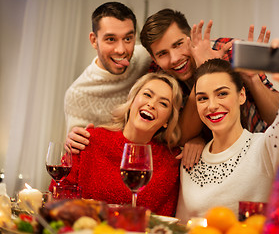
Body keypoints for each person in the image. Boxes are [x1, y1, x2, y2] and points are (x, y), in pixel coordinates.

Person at [175, 50, 279, 223]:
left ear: (241, 96)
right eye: (202, 98)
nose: (212, 106)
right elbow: (181, 224)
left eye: (222, 94)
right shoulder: (191, 159)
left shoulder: (264, 148)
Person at [140, 9, 279, 167]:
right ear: (154, 58)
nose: (174, 59)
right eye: (162, 54)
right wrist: (204, 72)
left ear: (191, 38)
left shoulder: (229, 50)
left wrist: (252, 79)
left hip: (259, 156)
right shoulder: (158, 75)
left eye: (178, 44)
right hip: (210, 164)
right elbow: (179, 136)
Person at [52, 73, 183, 217]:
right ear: (132, 100)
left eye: (163, 103)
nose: (151, 104)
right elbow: (57, 194)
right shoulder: (89, 140)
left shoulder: (171, 161)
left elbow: (163, 222)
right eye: (147, 95)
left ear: (168, 120)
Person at [64, 2, 152, 135]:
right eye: (111, 39)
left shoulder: (146, 57)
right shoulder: (78, 94)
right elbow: (78, 150)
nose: (121, 50)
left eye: (128, 38)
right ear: (94, 40)